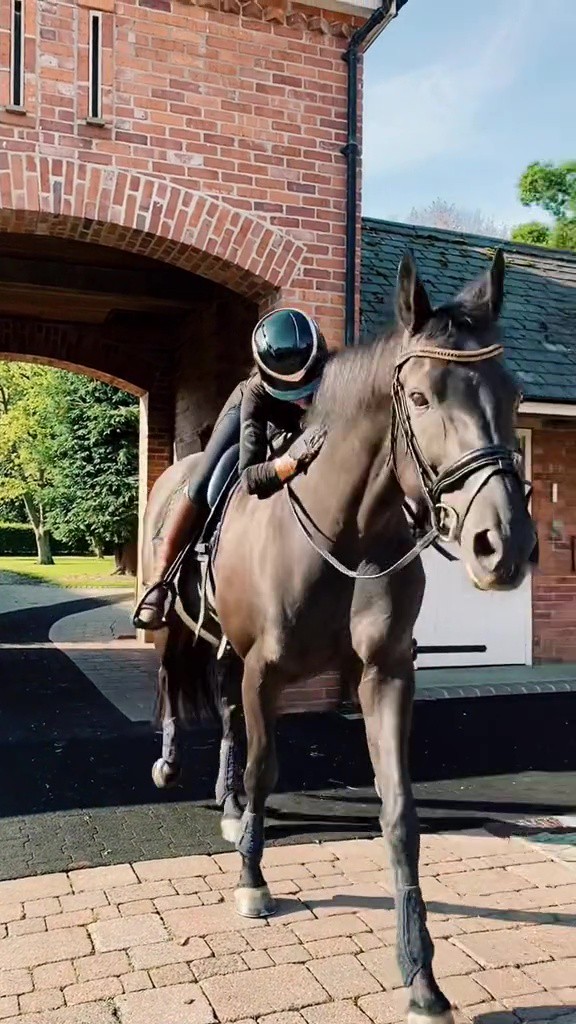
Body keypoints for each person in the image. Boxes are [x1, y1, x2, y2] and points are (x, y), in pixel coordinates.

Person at [133, 308, 329, 630]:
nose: (303, 401)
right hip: (248, 419)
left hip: (294, 432)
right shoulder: (256, 392)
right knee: (202, 481)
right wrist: (290, 463)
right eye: (293, 394)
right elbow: (250, 477)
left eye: (308, 390)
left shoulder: (332, 371)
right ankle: (159, 582)